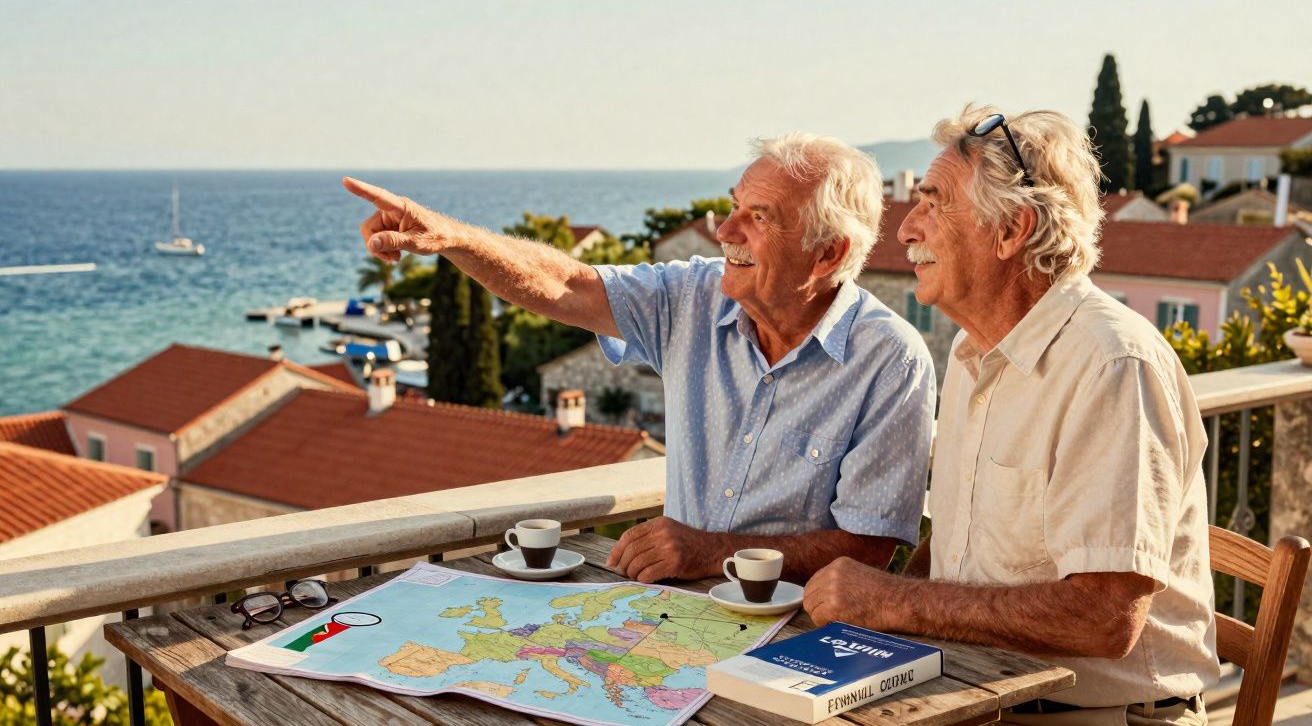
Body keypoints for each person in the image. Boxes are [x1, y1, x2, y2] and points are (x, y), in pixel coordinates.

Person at [343, 132, 935, 584]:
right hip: (667, 616)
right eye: (735, 206)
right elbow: (569, 285)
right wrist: (453, 238)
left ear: (827, 254)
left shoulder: (890, 361)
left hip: (793, 641)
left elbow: (868, 546)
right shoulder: (691, 297)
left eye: (759, 218)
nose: (725, 230)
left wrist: (711, 552)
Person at [803, 106, 1220, 725]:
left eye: (934, 202)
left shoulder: (1111, 366)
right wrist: (881, 615)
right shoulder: (975, 353)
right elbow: (958, 545)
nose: (905, 229)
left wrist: (893, 603)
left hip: (1099, 715)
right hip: (978, 692)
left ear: (1011, 230)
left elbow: (1105, 618)